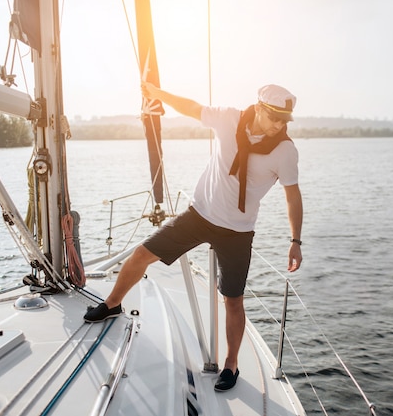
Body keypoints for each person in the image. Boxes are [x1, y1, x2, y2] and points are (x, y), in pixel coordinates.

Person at [83, 83, 303, 392]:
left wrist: (295, 241)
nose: (280, 125)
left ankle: (231, 365)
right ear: (260, 109)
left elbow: (292, 196)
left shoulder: (285, 150)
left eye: (285, 121)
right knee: (141, 255)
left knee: (233, 299)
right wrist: (159, 95)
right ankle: (112, 303)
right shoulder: (229, 119)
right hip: (199, 216)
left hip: (238, 232)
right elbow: (191, 107)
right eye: (275, 118)